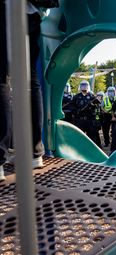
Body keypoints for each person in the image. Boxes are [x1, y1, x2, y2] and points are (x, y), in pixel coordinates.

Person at [1, 1, 50, 181]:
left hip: (6, 7)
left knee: (1, 75)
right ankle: (33, 152)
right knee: (29, 72)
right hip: (32, 9)